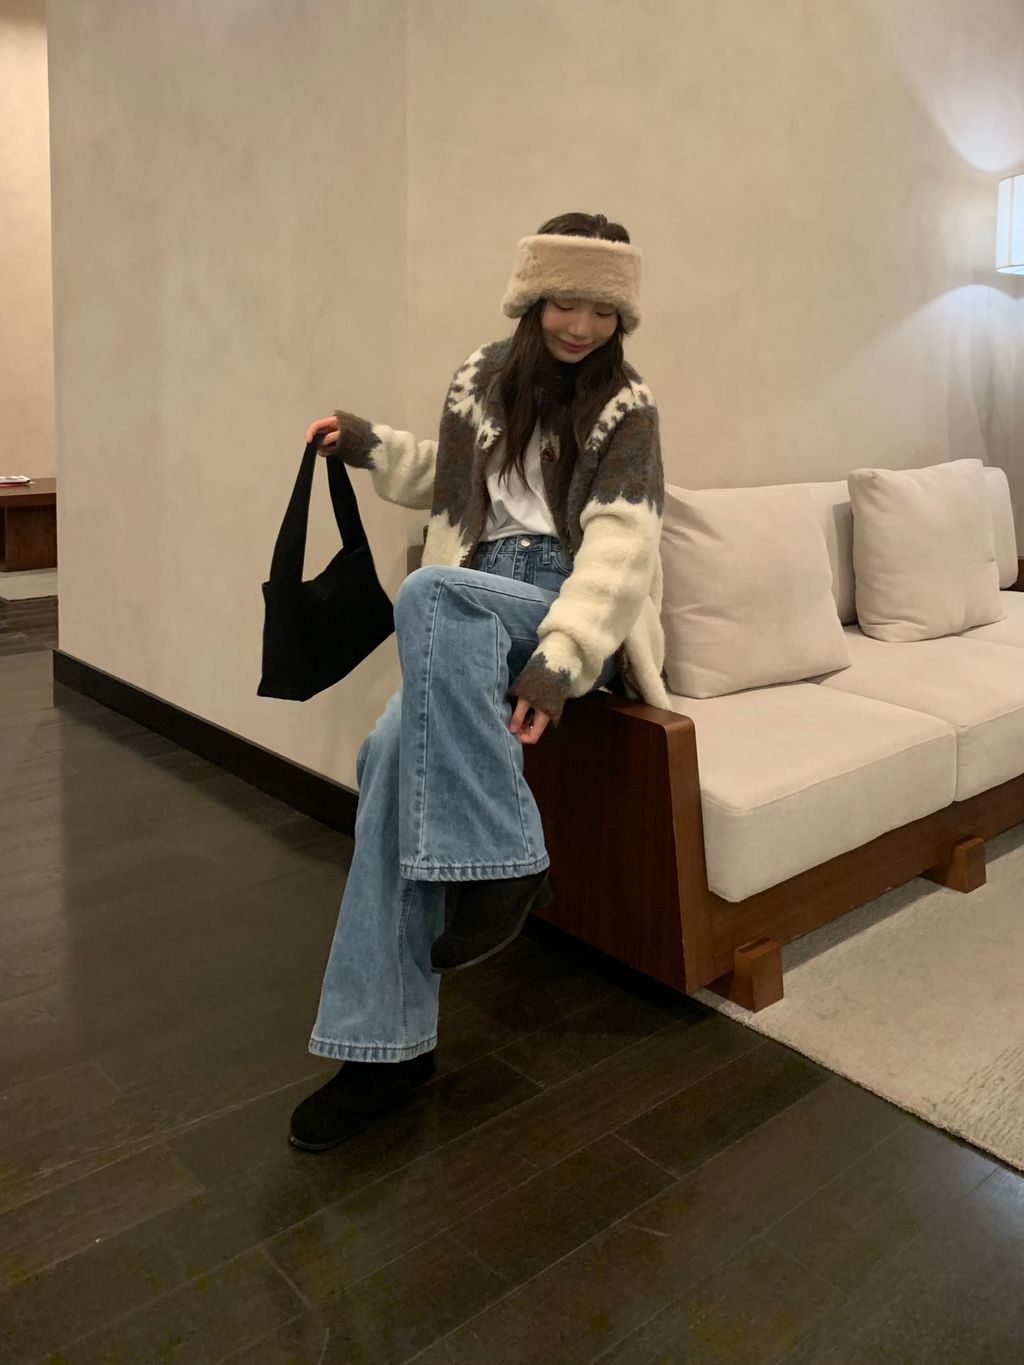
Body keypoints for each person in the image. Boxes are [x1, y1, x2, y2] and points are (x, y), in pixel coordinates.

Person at [289, 211, 670, 1151]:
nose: (581, 325)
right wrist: (370, 445)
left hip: (560, 604)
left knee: (428, 591)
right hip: (467, 596)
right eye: (566, 302)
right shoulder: (481, 378)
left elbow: (622, 544)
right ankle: (384, 1051)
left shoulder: (628, 407)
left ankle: (507, 853)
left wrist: (561, 659)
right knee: (387, 758)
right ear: (533, 296)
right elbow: (453, 475)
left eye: (603, 310)